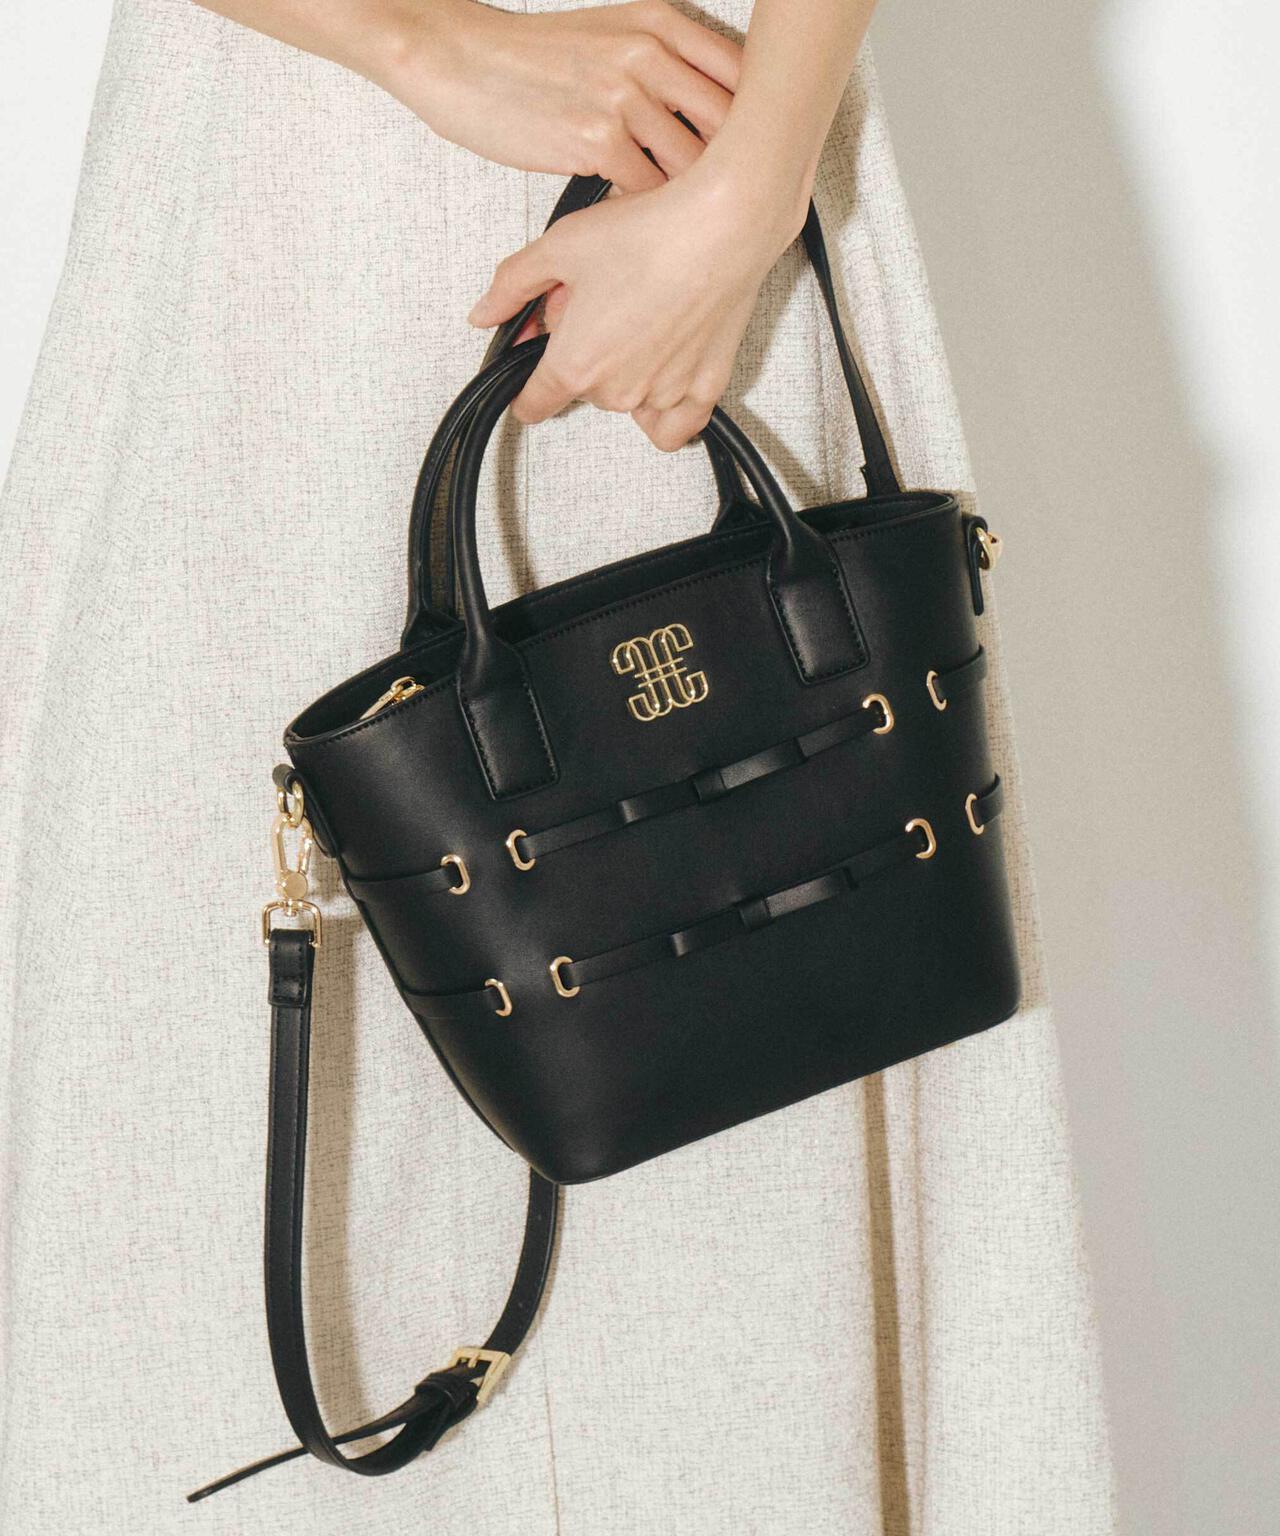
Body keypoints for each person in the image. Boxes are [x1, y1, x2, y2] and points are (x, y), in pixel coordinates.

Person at [0, 1, 1116, 1530]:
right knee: (210, 1084)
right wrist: (419, 40)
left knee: (763, 1108)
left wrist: (752, 190)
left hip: (703, 150)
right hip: (278, 217)